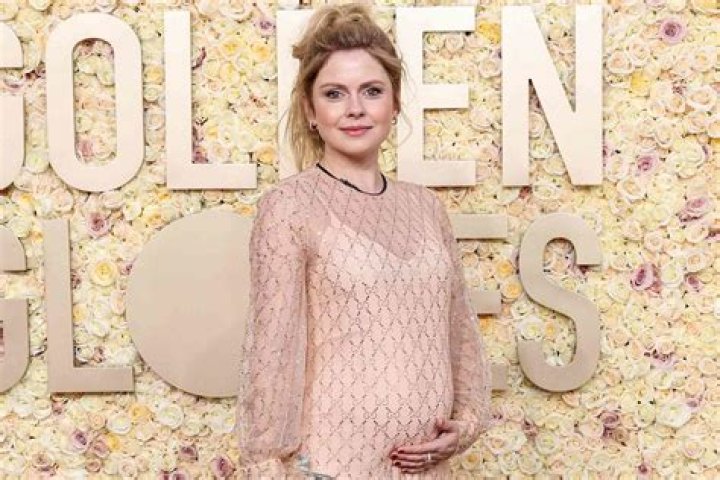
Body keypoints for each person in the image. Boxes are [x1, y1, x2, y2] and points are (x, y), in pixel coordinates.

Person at [235, 3, 492, 478]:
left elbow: (458, 332)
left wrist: (465, 425)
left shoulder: (426, 207)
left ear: (394, 104)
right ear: (311, 111)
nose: (355, 108)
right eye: (334, 94)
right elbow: (272, 354)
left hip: (427, 469)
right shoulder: (290, 206)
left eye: (371, 91)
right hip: (329, 467)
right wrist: (267, 467)